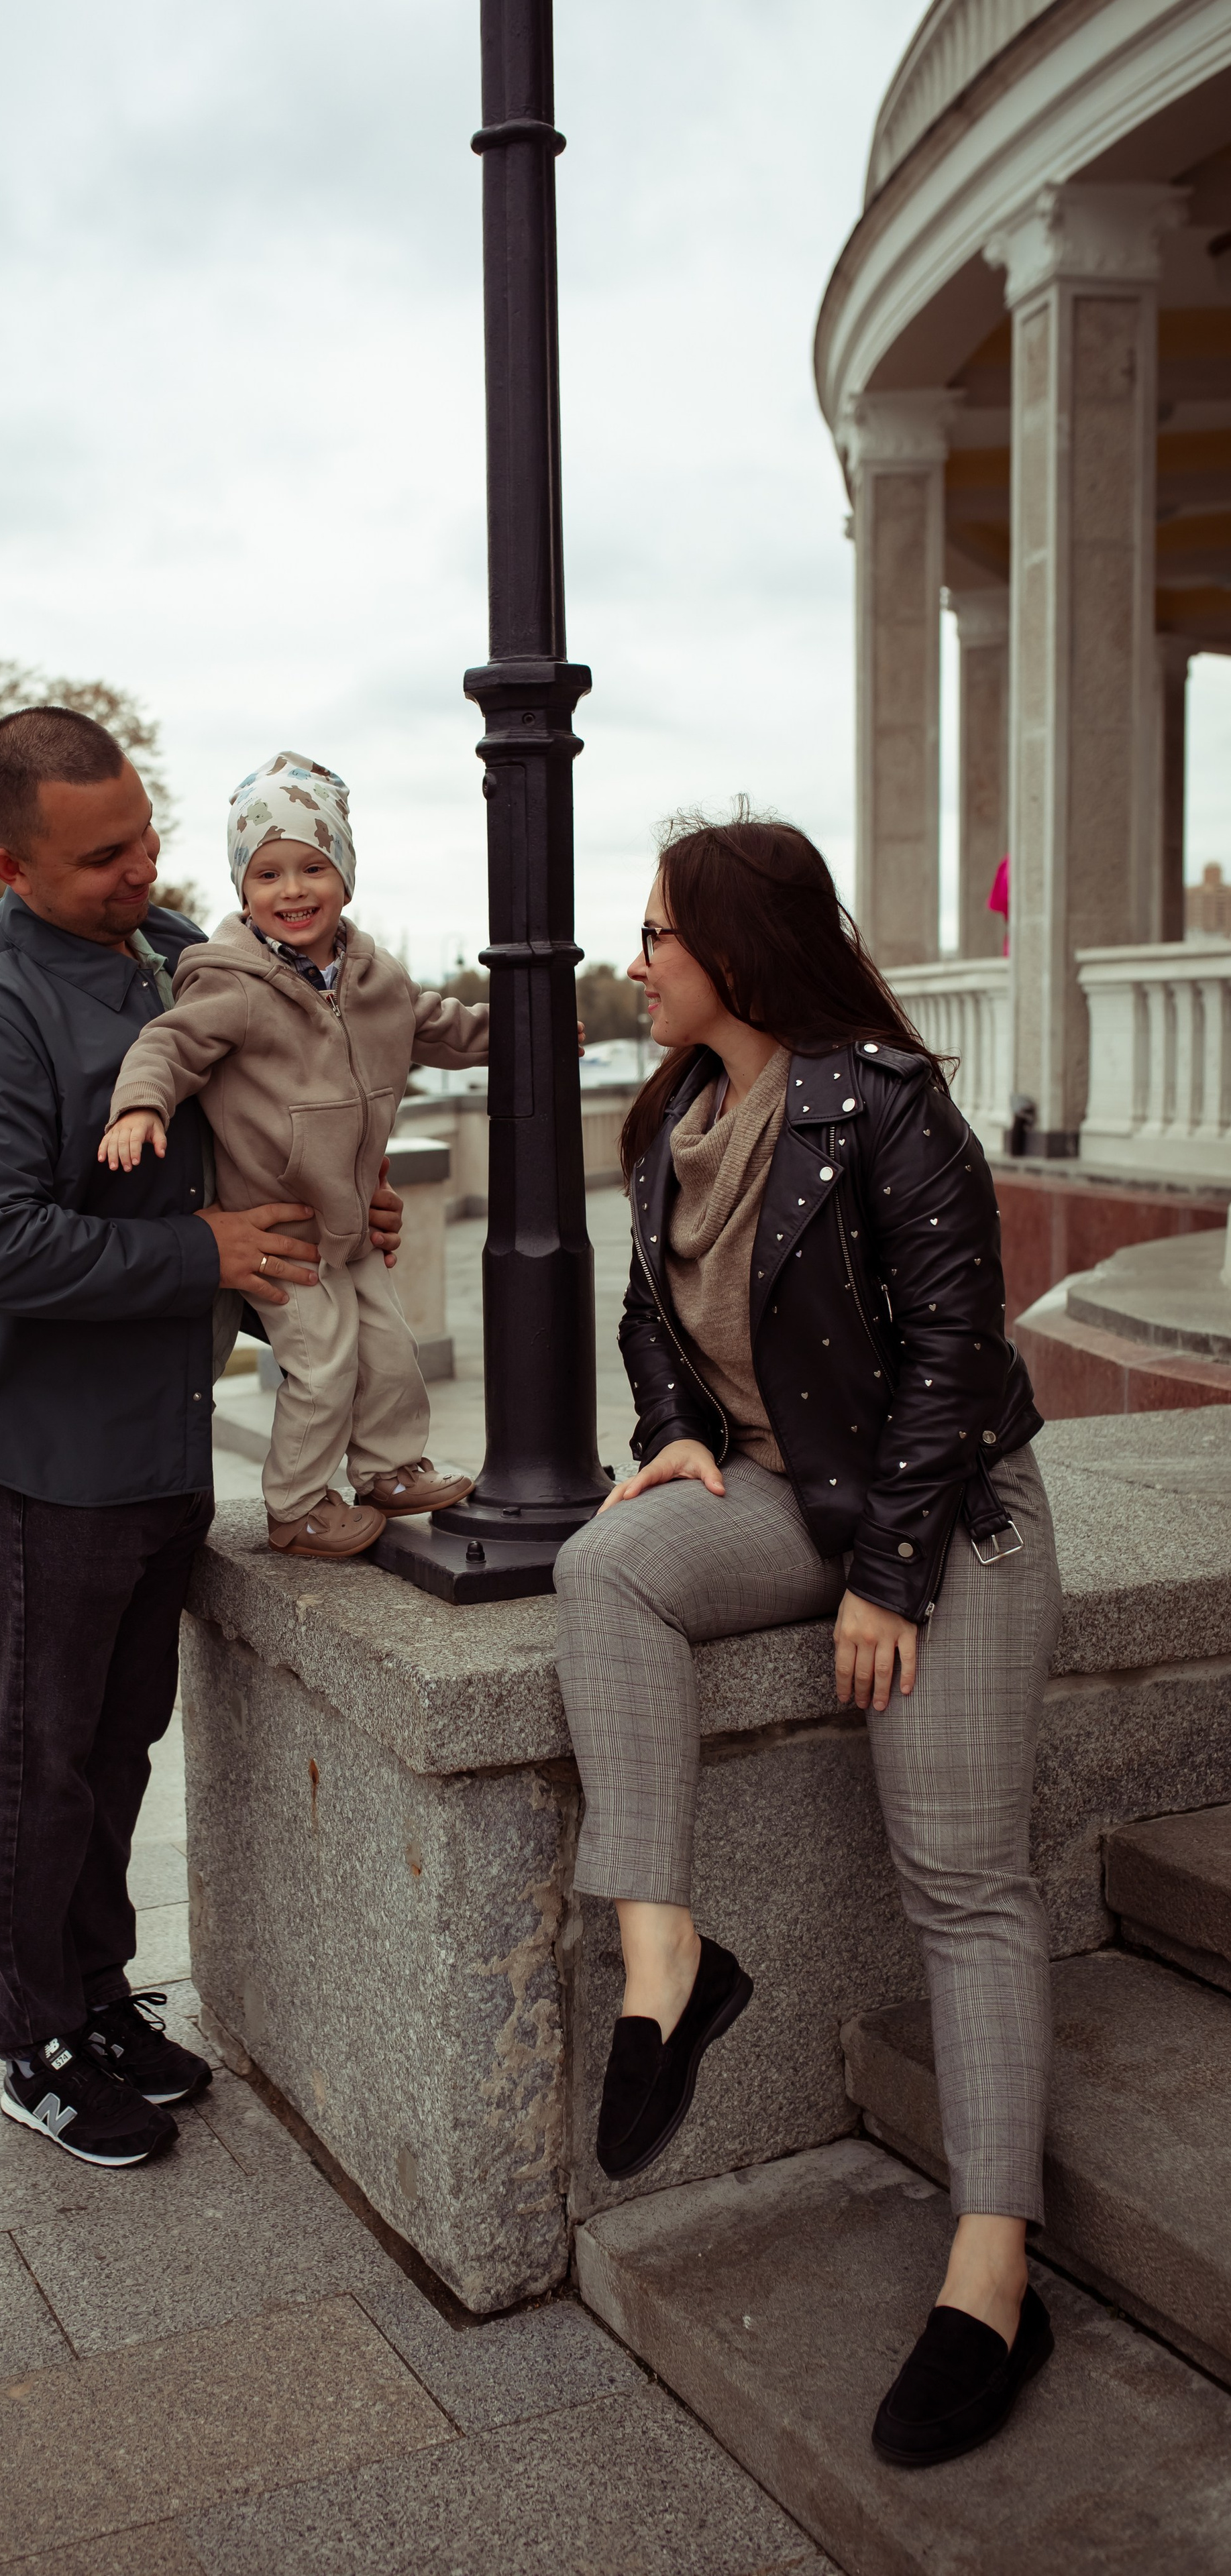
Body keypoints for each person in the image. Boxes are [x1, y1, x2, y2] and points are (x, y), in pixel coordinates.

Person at [553, 811, 1061, 2471]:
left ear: (733, 950)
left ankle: (992, 2277)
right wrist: (667, 1429)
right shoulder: (672, 1116)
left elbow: (954, 1349)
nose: (632, 961)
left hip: (945, 1507)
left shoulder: (887, 1108)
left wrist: (888, 1578)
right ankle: (665, 1966)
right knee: (602, 1568)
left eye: (652, 934)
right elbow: (650, 1310)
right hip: (784, 1485)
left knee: (961, 1875)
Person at [0, 708, 409, 2172]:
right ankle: (34, 2042)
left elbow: (267, 1110)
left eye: (144, 834)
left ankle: (100, 1996)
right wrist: (207, 1252)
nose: (144, 870)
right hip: (38, 1458)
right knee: (36, 1762)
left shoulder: (182, 949)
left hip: (160, 1443)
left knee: (116, 1748)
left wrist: (339, 1204)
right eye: (101, 857)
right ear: (8, 865)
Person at [99, 750, 488, 1559]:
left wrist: (529, 1032)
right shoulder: (231, 983)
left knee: (390, 1350)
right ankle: (298, 1505)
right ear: (243, 889)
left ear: (345, 875)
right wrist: (140, 1104)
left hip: (349, 1218)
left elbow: (440, 1026)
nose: (292, 890)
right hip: (277, 1228)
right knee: (322, 1363)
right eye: (267, 874)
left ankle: (386, 1468)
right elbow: (168, 1046)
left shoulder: (374, 978)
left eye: (313, 867)